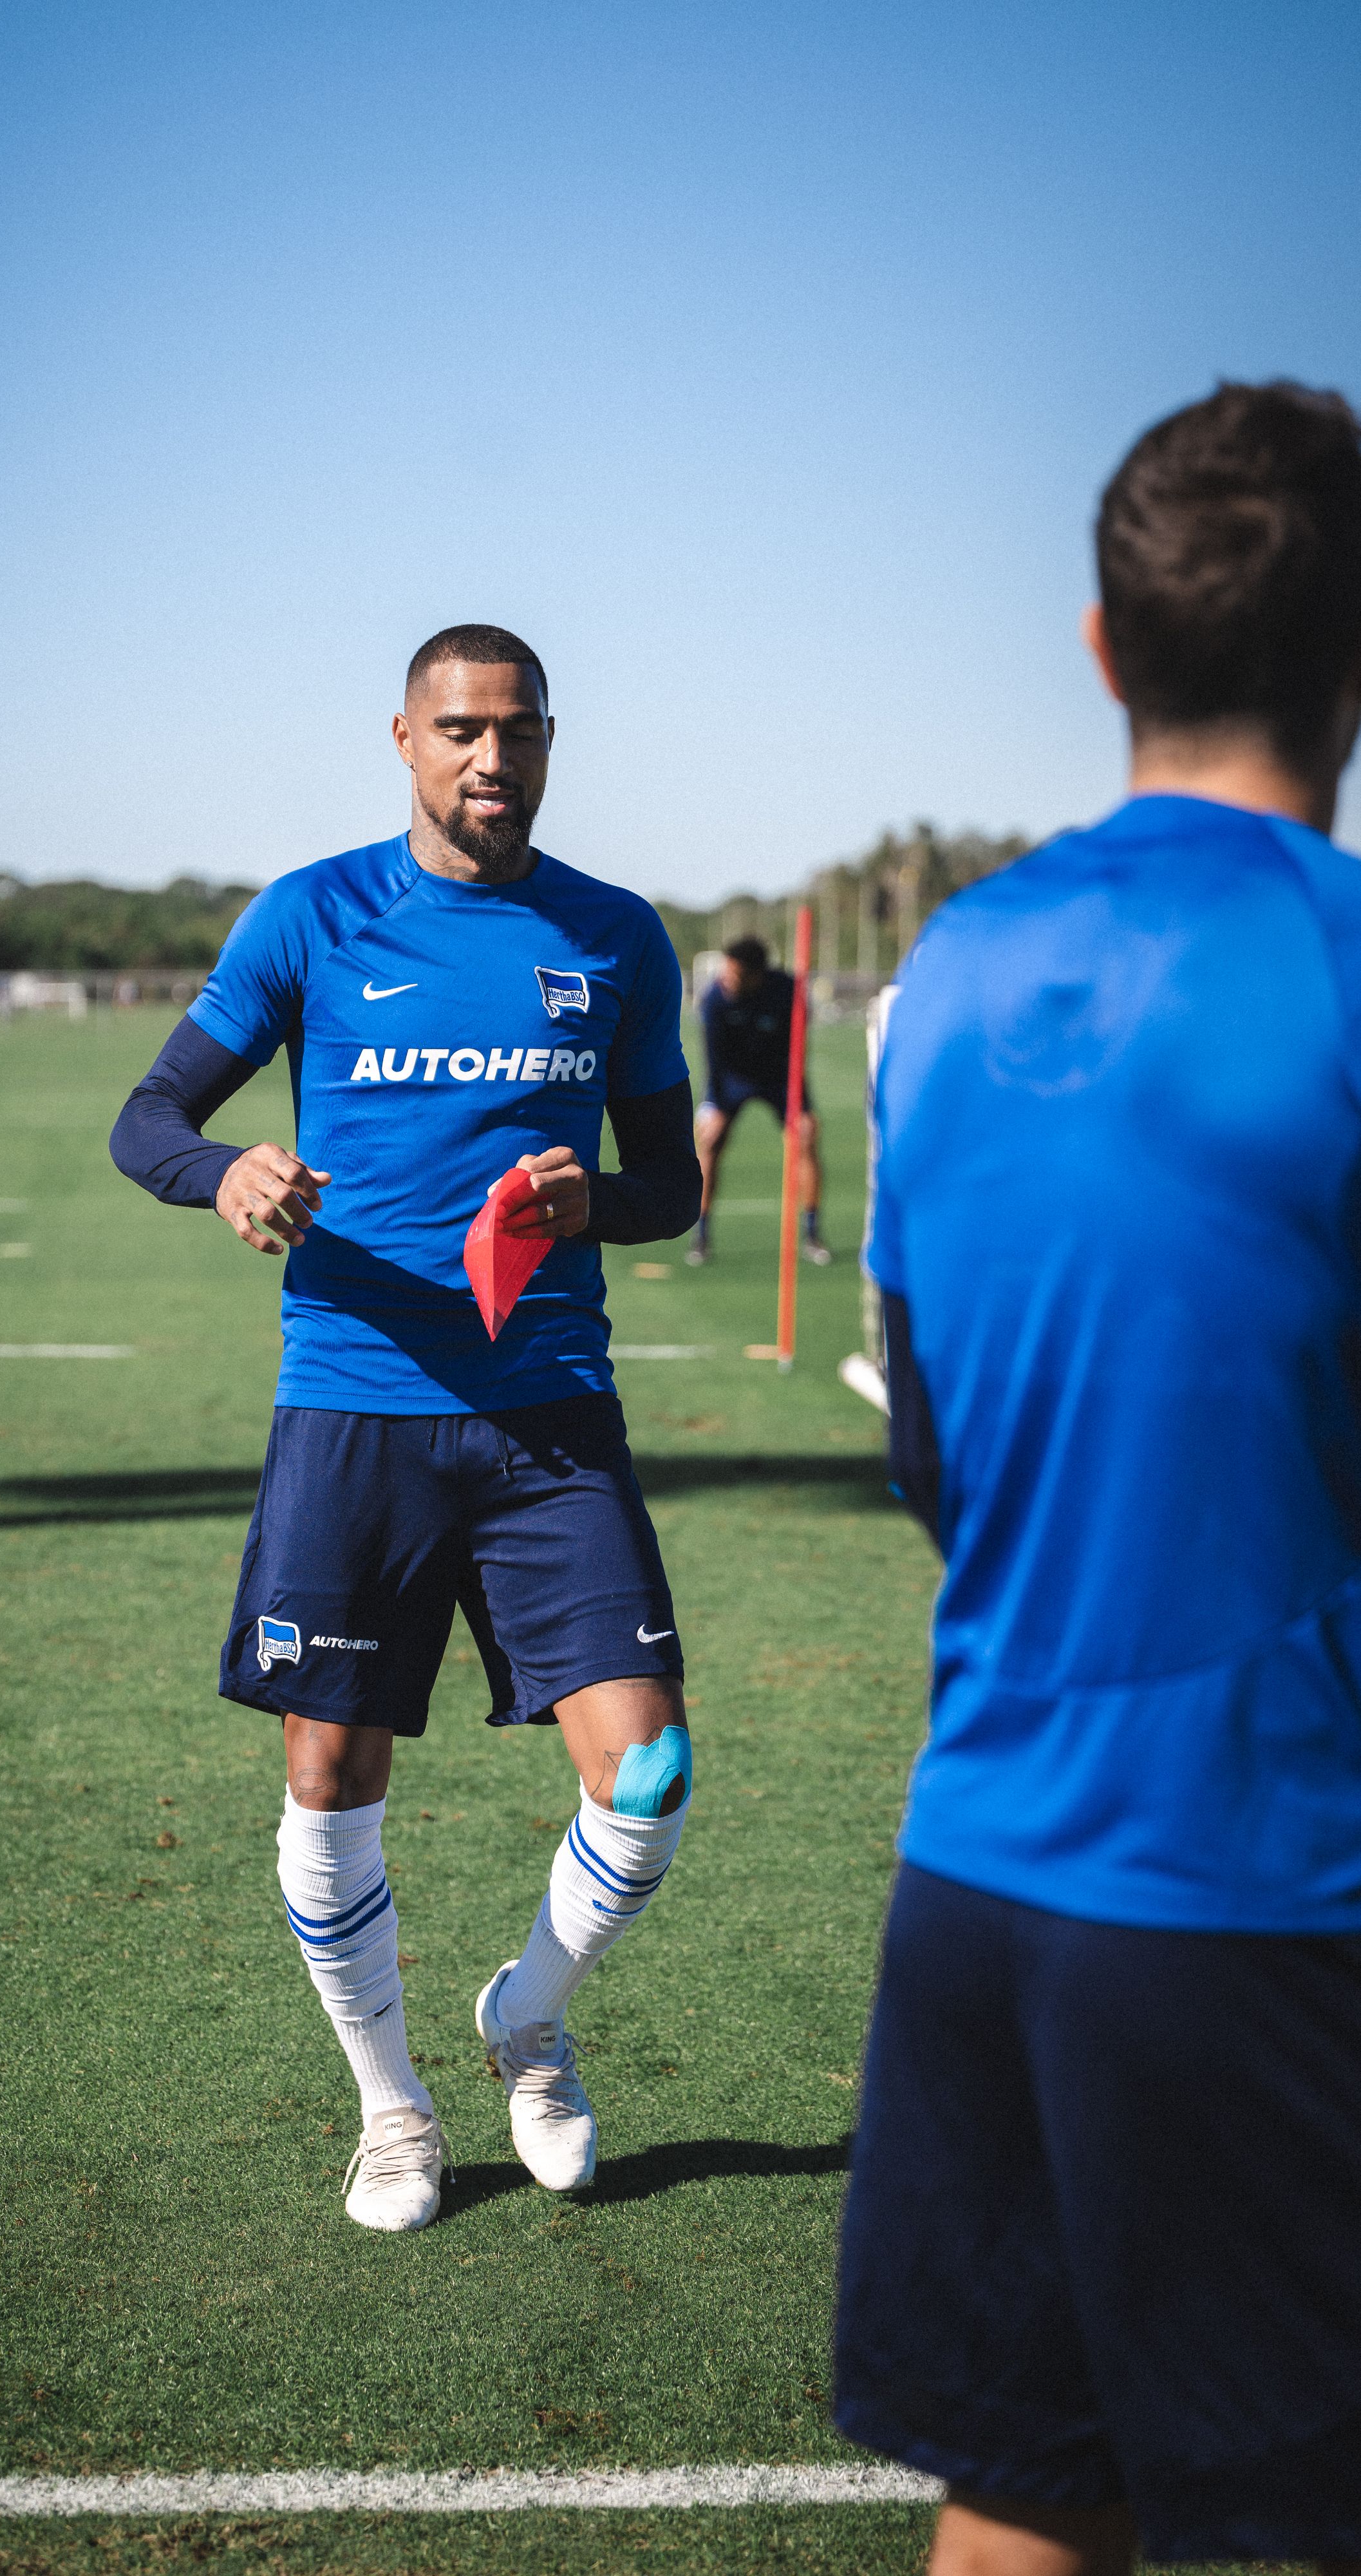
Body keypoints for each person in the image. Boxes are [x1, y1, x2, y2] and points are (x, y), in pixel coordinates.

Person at [833, 379, 1361, 2575]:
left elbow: (932, 1451)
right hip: (1273, 1884)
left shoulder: (951, 972)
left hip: (982, 1882)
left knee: (1022, 2505)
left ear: (1100, 643)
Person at [110, 625, 701, 2234]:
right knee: (327, 1771)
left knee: (647, 1771)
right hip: (354, 1406)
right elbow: (148, 1119)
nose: (489, 757)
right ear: (403, 740)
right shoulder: (312, 915)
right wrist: (224, 1171)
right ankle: (391, 2107)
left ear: (548, 740)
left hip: (548, 1414)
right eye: (459, 730)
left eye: (517, 729)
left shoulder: (614, 935)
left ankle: (526, 2014)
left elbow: (670, 1183)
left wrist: (596, 1201)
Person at [686, 935, 829, 1264]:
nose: (727, 979)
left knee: (807, 1137)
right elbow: (713, 1059)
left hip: (781, 1079)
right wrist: (715, 1107)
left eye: (735, 974)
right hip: (732, 1080)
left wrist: (800, 1100)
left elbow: (798, 1049)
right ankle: (701, 1236)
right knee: (710, 1142)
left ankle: (812, 1235)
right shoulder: (715, 1000)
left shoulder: (788, 991)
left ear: (756, 975)